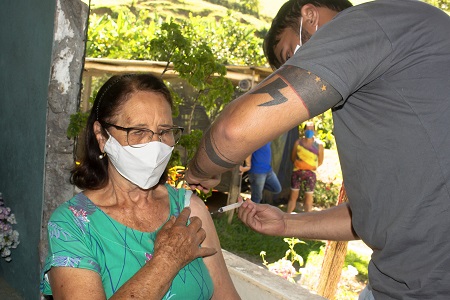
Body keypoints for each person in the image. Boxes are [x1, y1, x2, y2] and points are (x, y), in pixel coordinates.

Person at [185, 0, 450, 298]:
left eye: (289, 56)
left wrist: (199, 171)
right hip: (398, 284)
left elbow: (233, 131)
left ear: (309, 16)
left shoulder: (366, 23)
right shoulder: (388, 91)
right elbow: (373, 215)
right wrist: (286, 222)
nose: (296, 71)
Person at [40, 73, 240, 299]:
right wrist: (167, 261)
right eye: (138, 132)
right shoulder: (73, 224)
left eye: (164, 131)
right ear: (101, 136)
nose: (155, 145)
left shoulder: (188, 208)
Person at [287, 121, 324, 213]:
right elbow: (293, 157)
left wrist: (310, 167)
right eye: (307, 129)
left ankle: (308, 220)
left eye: (311, 129)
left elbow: (320, 161)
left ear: (314, 131)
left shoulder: (319, 145)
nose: (309, 131)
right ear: (304, 130)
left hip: (310, 174)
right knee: (293, 197)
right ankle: (286, 216)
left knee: (308, 199)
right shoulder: (298, 143)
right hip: (297, 172)